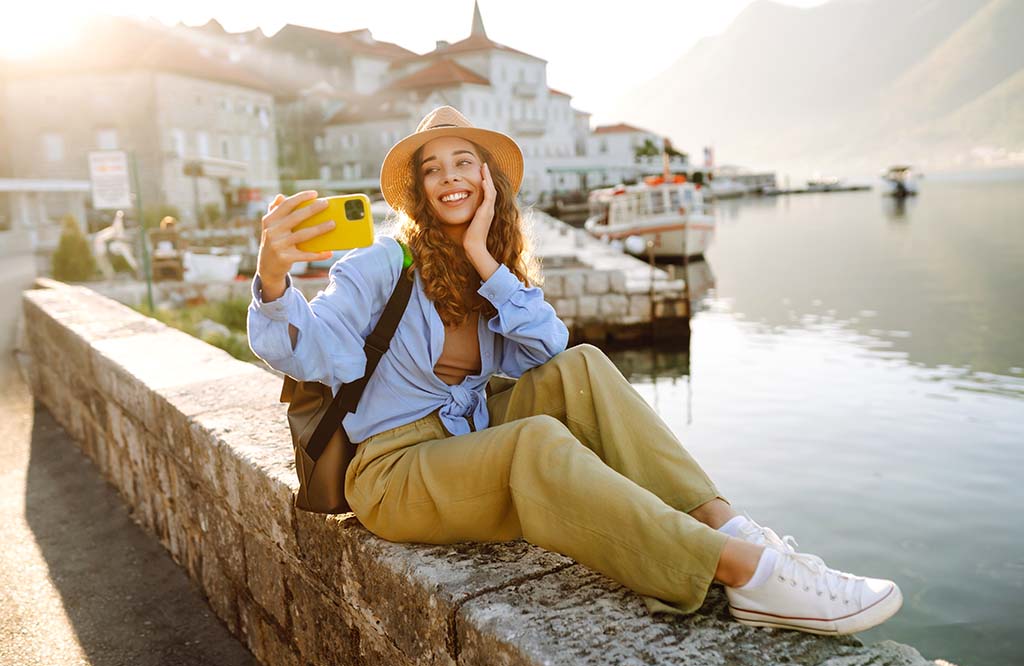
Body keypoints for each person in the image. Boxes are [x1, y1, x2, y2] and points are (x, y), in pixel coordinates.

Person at [246, 106, 902, 635]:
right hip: (392, 471)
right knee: (536, 446)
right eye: (434, 168)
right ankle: (743, 570)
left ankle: (729, 524)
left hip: (462, 441)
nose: (450, 177)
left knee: (583, 365)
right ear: (419, 190)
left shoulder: (483, 267)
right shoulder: (383, 264)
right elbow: (308, 345)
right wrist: (273, 276)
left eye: (464, 162)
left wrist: (484, 259)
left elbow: (549, 347)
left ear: (486, 181)